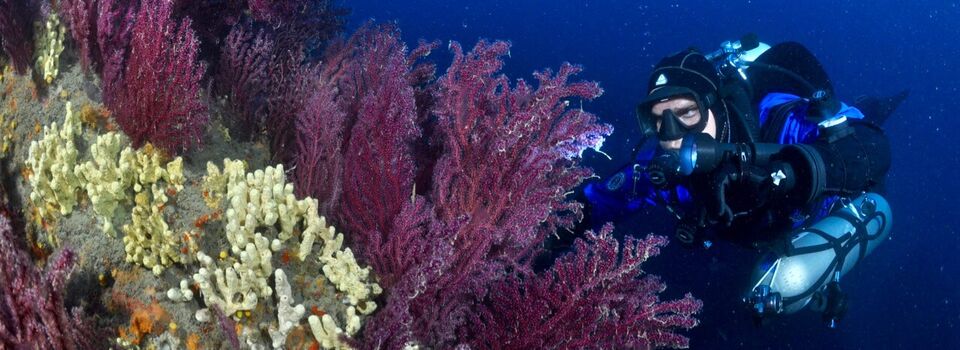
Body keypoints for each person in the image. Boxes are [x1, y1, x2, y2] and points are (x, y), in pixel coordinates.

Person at [561, 36, 907, 327]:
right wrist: (547, 230)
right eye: (658, 121)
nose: (672, 136)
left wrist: (798, 169)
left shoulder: (777, 119)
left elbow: (871, 149)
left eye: (687, 113)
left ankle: (876, 104)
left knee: (865, 117)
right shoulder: (660, 168)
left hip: (821, 206)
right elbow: (599, 201)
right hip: (753, 234)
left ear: (716, 106)